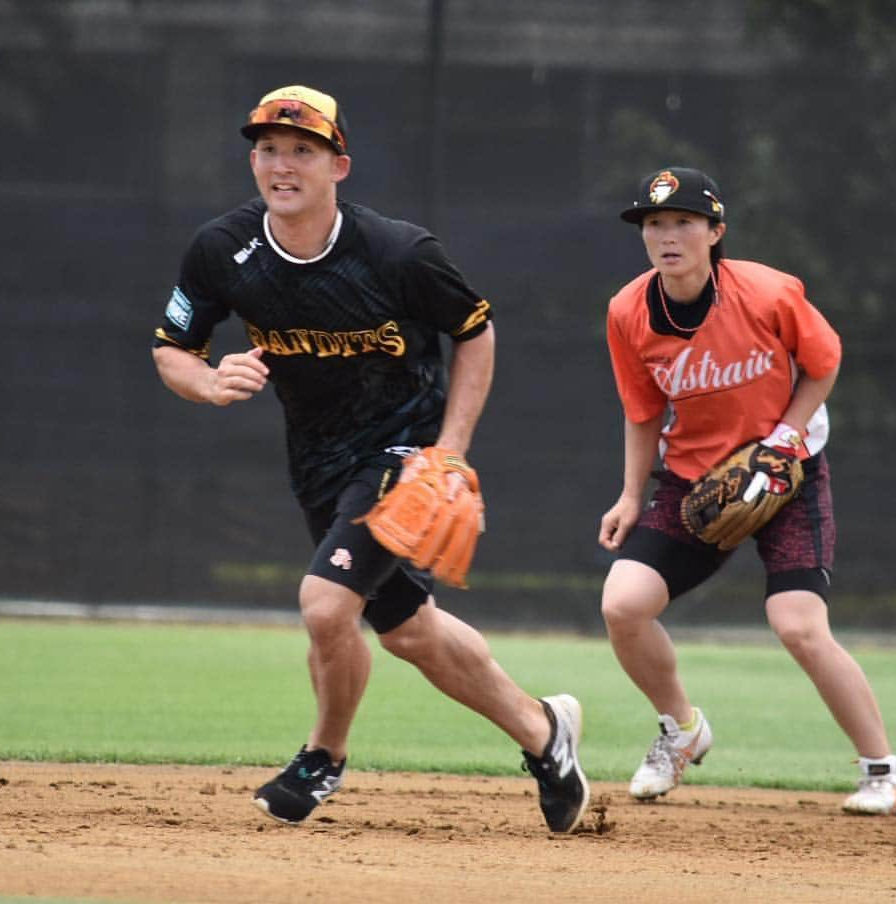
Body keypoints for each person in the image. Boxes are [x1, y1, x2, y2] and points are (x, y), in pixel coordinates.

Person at [152, 83, 589, 832]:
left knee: (324, 605)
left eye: (302, 150)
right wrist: (211, 381)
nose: (281, 164)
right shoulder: (223, 250)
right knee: (407, 630)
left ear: (339, 166)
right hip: (316, 461)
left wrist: (449, 451)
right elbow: (172, 351)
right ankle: (547, 735)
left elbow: (474, 331)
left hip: (404, 451)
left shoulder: (397, 252)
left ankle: (323, 757)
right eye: (267, 149)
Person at [597, 166, 896, 817]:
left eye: (684, 221)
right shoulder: (629, 312)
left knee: (797, 624)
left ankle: (886, 771)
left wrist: (785, 438)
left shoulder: (768, 293)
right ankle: (681, 729)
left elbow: (824, 364)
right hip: (693, 482)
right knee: (623, 604)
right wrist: (631, 495)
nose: (667, 235)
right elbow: (642, 412)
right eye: (654, 224)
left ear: (716, 231)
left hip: (787, 474)